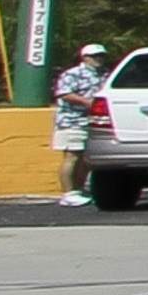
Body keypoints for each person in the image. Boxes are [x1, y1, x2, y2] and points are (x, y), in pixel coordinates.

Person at [52, 41, 107, 206]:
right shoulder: (72, 74)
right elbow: (64, 94)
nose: (99, 59)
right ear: (85, 57)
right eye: (94, 56)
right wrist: (86, 102)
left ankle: (79, 189)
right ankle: (68, 193)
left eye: (101, 56)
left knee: (86, 159)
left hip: (92, 122)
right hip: (71, 121)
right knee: (72, 156)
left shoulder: (104, 74)